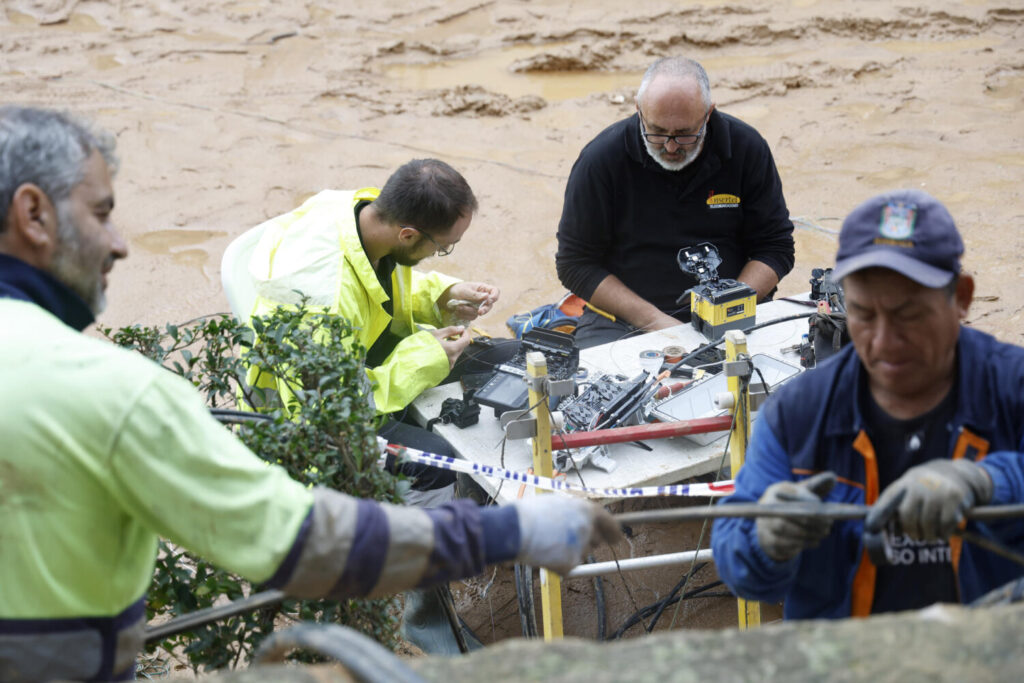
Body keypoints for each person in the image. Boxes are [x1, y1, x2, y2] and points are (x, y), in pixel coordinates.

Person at [0, 106, 618, 682]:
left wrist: (437, 294)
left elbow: (385, 286)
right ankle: (427, 626)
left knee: (502, 362)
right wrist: (509, 531)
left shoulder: (350, 210)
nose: (119, 243)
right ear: (33, 214)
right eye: (103, 212)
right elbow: (299, 535)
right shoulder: (114, 392)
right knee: (434, 470)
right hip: (65, 660)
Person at [711, 189, 1024, 619]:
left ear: (963, 298)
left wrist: (990, 483)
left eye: (909, 314)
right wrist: (766, 540)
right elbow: (743, 575)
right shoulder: (798, 415)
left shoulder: (1012, 387)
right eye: (863, 313)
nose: (884, 341)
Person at [243, 159, 513, 506]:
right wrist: (425, 359)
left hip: (362, 361)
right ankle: (421, 549)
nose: (439, 254)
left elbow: (375, 287)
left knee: (503, 358)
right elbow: (339, 410)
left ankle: (478, 495)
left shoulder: (362, 213)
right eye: (442, 247)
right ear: (408, 234)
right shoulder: (323, 305)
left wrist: (442, 295)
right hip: (317, 424)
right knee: (436, 462)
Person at [555, 56, 795, 348]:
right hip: (626, 319)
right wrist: (655, 323)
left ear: (708, 114)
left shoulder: (747, 148)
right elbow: (575, 264)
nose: (670, 147)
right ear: (639, 111)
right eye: (656, 131)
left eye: (684, 134)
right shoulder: (601, 161)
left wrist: (729, 306)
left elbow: (775, 246)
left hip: (733, 309)